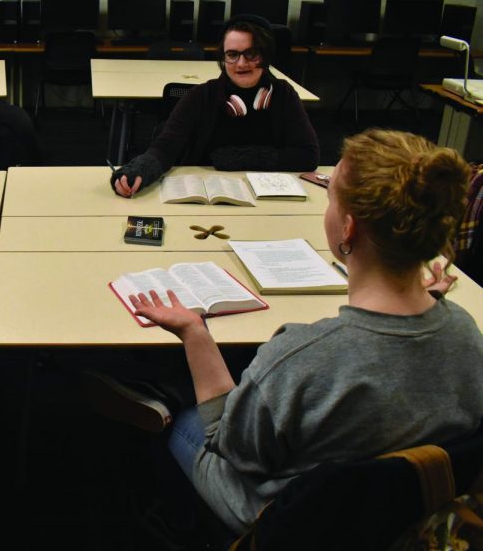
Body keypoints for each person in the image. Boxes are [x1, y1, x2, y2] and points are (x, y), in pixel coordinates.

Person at [116, 129, 483, 533]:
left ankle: (176, 522)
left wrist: (194, 333)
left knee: (183, 422)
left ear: (347, 228)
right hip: (410, 517)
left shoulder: (302, 357)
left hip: (283, 520)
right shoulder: (466, 332)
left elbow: (231, 446)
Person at [112, 14, 320, 198]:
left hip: (270, 197)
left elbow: (308, 155)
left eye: (251, 54)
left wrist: (235, 158)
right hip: (210, 197)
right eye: (232, 54)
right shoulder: (202, 96)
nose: (241, 63)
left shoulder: (283, 95)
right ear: (223, 57)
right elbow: (166, 146)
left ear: (265, 56)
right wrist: (137, 170)